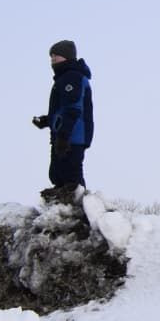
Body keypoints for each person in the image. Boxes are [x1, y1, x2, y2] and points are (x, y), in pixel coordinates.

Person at [31, 39, 94, 200]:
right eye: (51, 56)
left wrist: (64, 135)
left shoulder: (72, 77)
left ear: (67, 57)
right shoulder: (64, 78)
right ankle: (60, 209)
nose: (52, 59)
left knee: (71, 175)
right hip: (63, 135)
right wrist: (46, 121)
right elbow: (62, 110)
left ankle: (80, 210)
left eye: (56, 56)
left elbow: (73, 109)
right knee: (57, 174)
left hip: (73, 136)